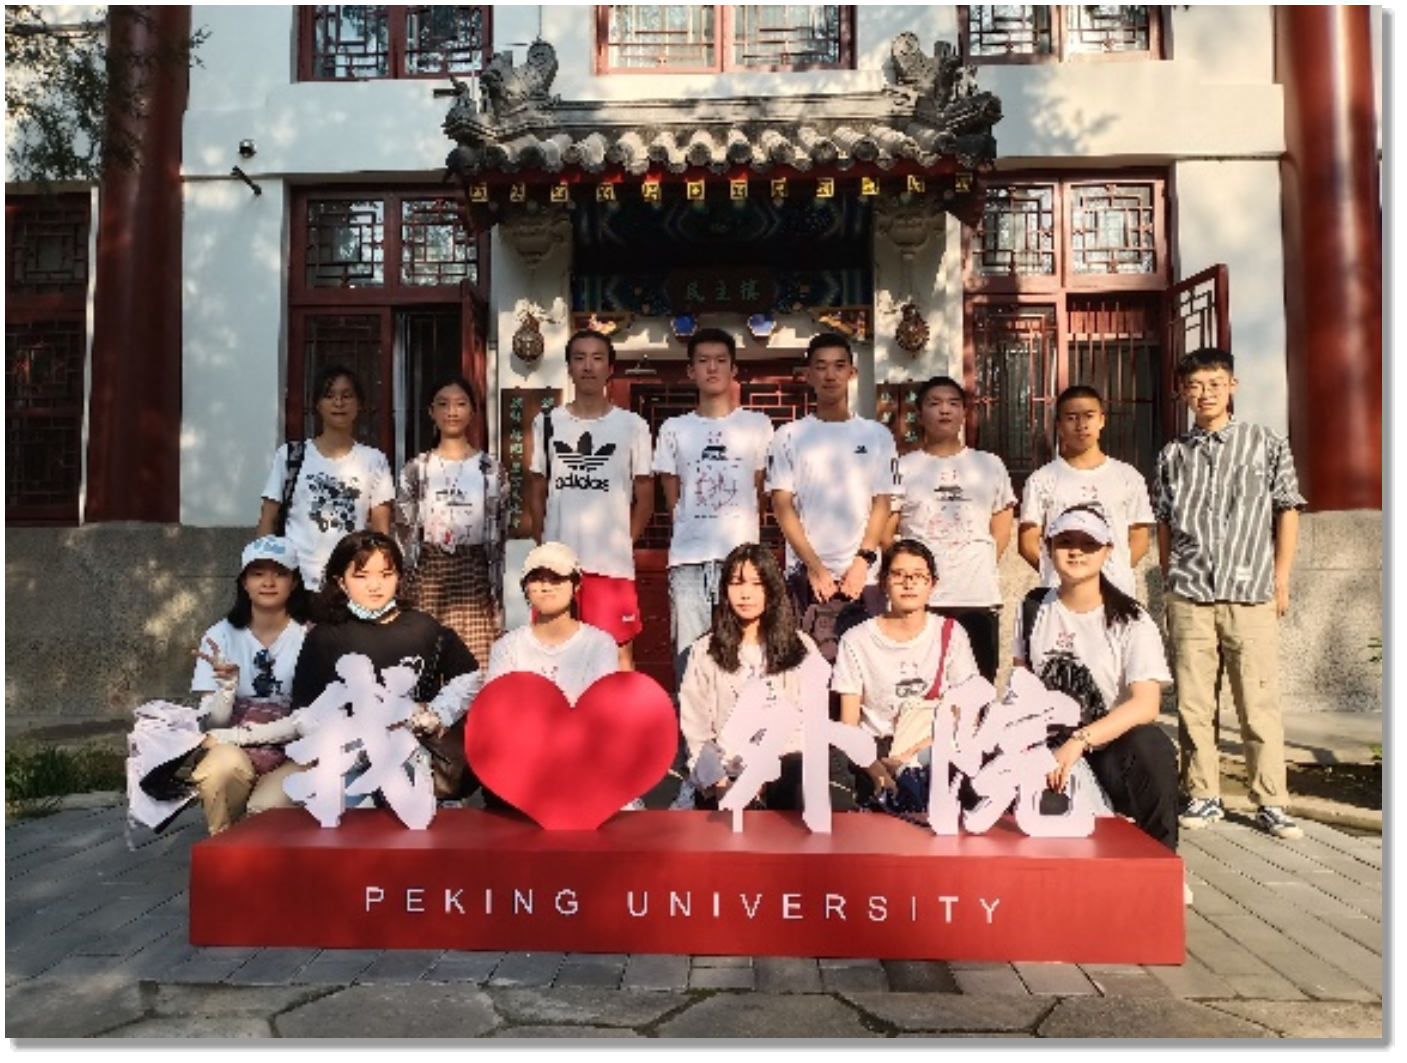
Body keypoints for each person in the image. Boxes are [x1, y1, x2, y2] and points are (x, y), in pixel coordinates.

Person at [207, 530, 485, 805]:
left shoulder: (424, 628)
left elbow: (469, 675)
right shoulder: (325, 636)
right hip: (344, 760)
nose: (374, 585)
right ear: (341, 582)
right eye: (361, 576)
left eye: (386, 574)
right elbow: (305, 716)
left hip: (413, 757)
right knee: (317, 808)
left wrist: (437, 713)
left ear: (399, 577)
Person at [1153, 346, 1307, 841]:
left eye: (1215, 384)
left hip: (1250, 591)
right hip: (1190, 593)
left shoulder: (1266, 443)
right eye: (1195, 386)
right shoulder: (1172, 454)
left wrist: (1280, 577)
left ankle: (1271, 800)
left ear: (1232, 386)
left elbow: (1287, 509)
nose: (1205, 394)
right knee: (1194, 703)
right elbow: (1164, 522)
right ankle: (1203, 792)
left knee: (1258, 701)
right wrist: (1170, 579)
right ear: (1183, 392)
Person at [1013, 503, 1182, 857]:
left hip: (1107, 749)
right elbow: (1021, 686)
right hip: (1045, 745)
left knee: (1153, 747)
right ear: (1048, 547)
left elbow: (1146, 704)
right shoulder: (1033, 608)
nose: (1076, 551)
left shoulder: (1131, 619)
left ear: (1107, 552)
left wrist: (1080, 741)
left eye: (1088, 543)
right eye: (1065, 542)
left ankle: (1161, 860)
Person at [766, 331, 900, 666]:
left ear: (852, 373)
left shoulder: (876, 435)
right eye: (821, 366)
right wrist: (815, 567)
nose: (830, 375)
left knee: (867, 671)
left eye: (839, 366)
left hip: (864, 579)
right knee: (808, 673)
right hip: (808, 578)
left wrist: (862, 562)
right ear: (808, 375)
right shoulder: (789, 436)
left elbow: (882, 503)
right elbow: (782, 505)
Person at [653, 327, 775, 688]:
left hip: (741, 561)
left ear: (733, 369)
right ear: (690, 370)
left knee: (745, 657)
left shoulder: (757, 425)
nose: (712, 368)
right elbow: (672, 495)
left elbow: (760, 491)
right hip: (688, 560)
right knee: (689, 660)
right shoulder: (674, 429)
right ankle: (691, 726)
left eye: (721, 360)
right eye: (703, 361)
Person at [526, 327, 653, 671]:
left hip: (611, 567)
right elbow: (537, 491)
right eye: (579, 358)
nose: (588, 366)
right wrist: (545, 546)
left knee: (618, 655)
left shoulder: (632, 426)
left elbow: (645, 499)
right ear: (568, 367)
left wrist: (623, 542)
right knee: (552, 655)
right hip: (557, 567)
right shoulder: (547, 423)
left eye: (597, 358)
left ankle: (619, 711)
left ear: (610, 368)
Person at [831, 539, 980, 806]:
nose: (908, 583)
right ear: (883, 582)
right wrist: (876, 769)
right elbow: (849, 725)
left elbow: (968, 714)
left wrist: (906, 758)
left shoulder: (951, 633)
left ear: (932, 584)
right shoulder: (856, 640)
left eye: (918, 576)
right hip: (872, 752)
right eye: (898, 575)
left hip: (932, 746)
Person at [888, 374, 1016, 682]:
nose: (944, 410)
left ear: (964, 413)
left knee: (977, 687)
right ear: (920, 415)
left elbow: (1001, 527)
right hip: (922, 601)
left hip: (976, 597)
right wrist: (909, 575)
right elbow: (885, 532)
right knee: (921, 686)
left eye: (953, 403)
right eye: (934, 403)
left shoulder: (990, 465)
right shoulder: (902, 468)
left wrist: (979, 562)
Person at [677, 542, 823, 812]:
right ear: (725, 589)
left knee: (800, 773)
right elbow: (696, 732)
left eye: (757, 584)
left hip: (782, 768)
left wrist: (762, 773)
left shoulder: (801, 647)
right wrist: (720, 784)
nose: (746, 594)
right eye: (737, 583)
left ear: (772, 589)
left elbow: (809, 724)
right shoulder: (704, 651)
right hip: (724, 773)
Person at [187, 535, 313, 835]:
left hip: (295, 750)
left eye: (279, 573)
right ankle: (223, 847)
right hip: (233, 749)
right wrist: (227, 688)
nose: (268, 582)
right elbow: (211, 725)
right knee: (218, 769)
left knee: (266, 809)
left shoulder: (312, 637)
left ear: (294, 582)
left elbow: (311, 719)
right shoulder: (219, 636)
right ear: (244, 582)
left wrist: (239, 735)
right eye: (257, 573)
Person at [485, 541, 623, 811]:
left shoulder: (600, 644)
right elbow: (497, 711)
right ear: (525, 587)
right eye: (537, 579)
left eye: (557, 578)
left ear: (576, 585)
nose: (546, 587)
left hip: (583, 767)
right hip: (521, 768)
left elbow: (601, 712)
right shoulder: (507, 647)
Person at [394, 374, 508, 668]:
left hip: (475, 574)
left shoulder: (491, 470)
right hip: (428, 573)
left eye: (460, 404)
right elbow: (403, 532)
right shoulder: (416, 469)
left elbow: (500, 534)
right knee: (425, 660)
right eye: (443, 404)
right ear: (431, 412)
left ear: (473, 411)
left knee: (475, 663)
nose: (452, 412)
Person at [256, 363, 395, 592]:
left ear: (359, 403)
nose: (338, 403)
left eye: (347, 396)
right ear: (317, 404)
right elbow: (267, 521)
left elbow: (380, 531)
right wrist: (265, 573)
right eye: (329, 396)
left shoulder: (374, 460)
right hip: (295, 581)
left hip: (350, 583)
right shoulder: (290, 456)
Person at [1017, 384, 1154, 598]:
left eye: (1089, 416)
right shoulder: (1041, 479)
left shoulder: (1128, 477)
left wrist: (1112, 575)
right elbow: (1028, 542)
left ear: (1102, 420)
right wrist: (1058, 573)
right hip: (1060, 596)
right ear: (1059, 426)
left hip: (1116, 594)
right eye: (1071, 418)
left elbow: (1140, 539)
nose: (1081, 425)